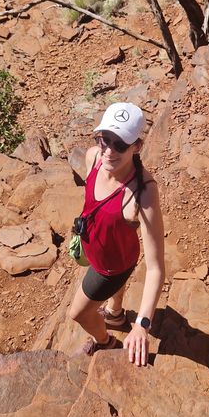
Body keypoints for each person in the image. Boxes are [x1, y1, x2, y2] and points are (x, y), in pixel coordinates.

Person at [68, 102, 165, 366]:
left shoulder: (142, 192)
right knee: (113, 295)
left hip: (110, 267)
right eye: (104, 140)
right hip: (107, 246)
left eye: (120, 144)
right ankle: (115, 313)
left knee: (77, 313)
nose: (109, 151)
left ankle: (105, 340)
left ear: (137, 146)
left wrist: (142, 325)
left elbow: (156, 268)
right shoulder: (93, 157)